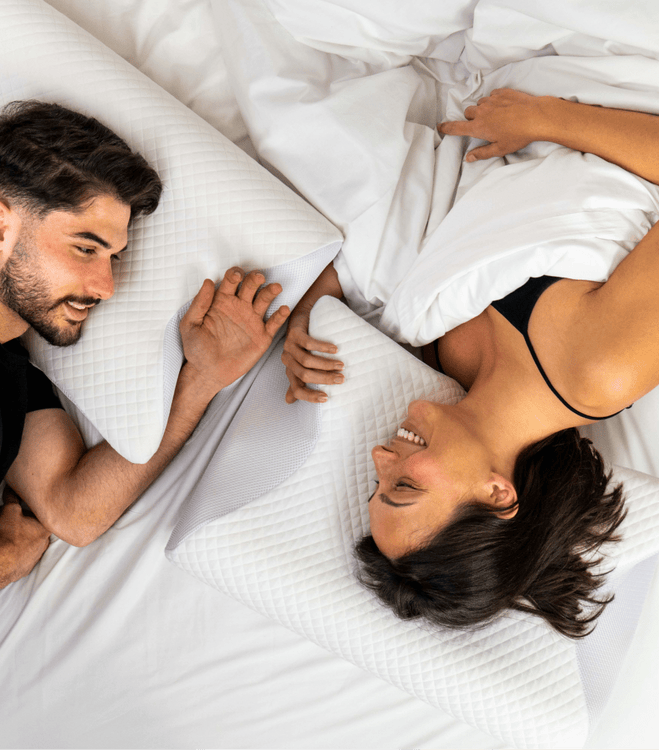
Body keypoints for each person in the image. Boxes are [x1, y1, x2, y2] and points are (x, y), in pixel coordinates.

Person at [281, 88, 659, 638]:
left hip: (494, 93)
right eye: (403, 486)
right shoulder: (600, 372)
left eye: (376, 484)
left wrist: (303, 319)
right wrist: (549, 117)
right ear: (497, 495)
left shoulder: (441, 358)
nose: (380, 457)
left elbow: (381, 254)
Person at [0, 100, 289, 643]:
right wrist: (0, 566)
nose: (106, 286)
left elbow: (72, 509)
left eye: (113, 256)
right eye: (85, 248)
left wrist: (202, 378)